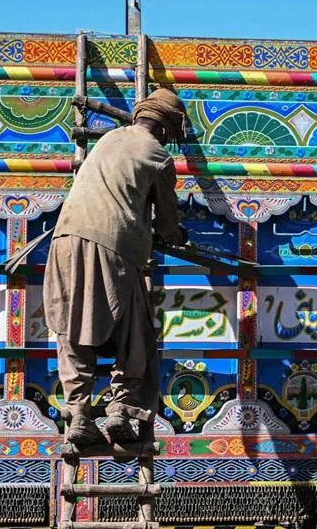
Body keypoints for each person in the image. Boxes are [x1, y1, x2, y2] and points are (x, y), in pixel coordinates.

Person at [44, 88, 189, 446]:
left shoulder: (108, 139)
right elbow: (168, 224)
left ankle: (78, 413)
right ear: (166, 129)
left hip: (64, 239)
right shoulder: (158, 156)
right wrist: (174, 234)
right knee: (134, 332)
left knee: (72, 327)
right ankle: (121, 409)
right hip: (113, 247)